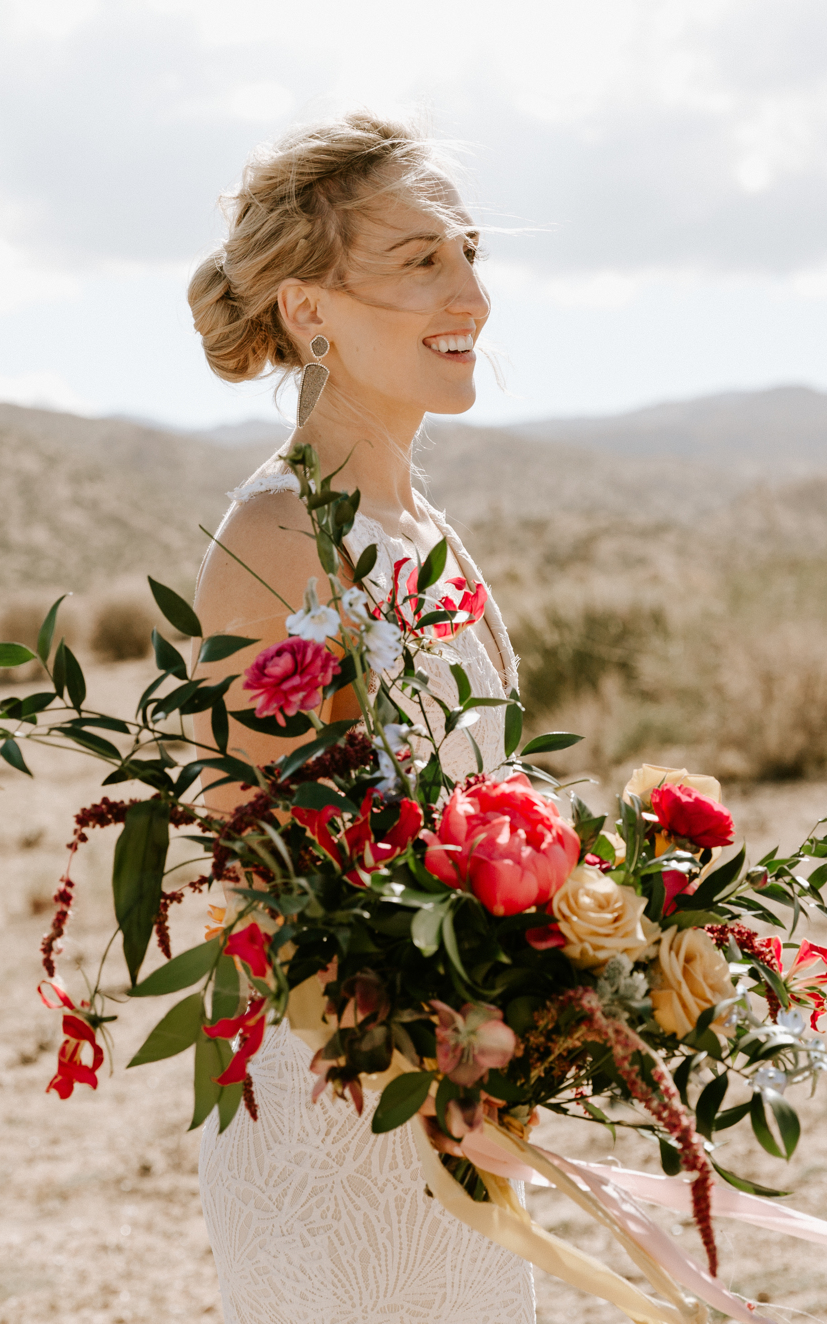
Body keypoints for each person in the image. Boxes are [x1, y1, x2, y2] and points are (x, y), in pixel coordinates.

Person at [186, 113, 537, 1323]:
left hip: (456, 1095)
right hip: (345, 1111)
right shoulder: (283, 534)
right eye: (418, 259)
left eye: (469, 252)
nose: (468, 294)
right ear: (307, 310)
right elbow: (253, 868)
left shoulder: (420, 526)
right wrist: (424, 1066)